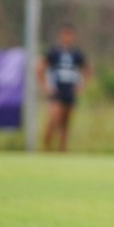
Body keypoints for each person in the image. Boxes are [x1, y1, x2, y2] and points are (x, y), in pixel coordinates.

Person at [36, 24, 91, 152]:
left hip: (70, 91)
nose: (68, 37)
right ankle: (46, 147)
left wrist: (81, 85)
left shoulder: (77, 54)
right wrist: (44, 86)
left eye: (70, 35)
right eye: (65, 34)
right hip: (56, 91)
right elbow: (40, 68)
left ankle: (62, 150)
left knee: (65, 123)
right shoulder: (53, 52)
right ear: (61, 35)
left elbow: (88, 70)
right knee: (54, 119)